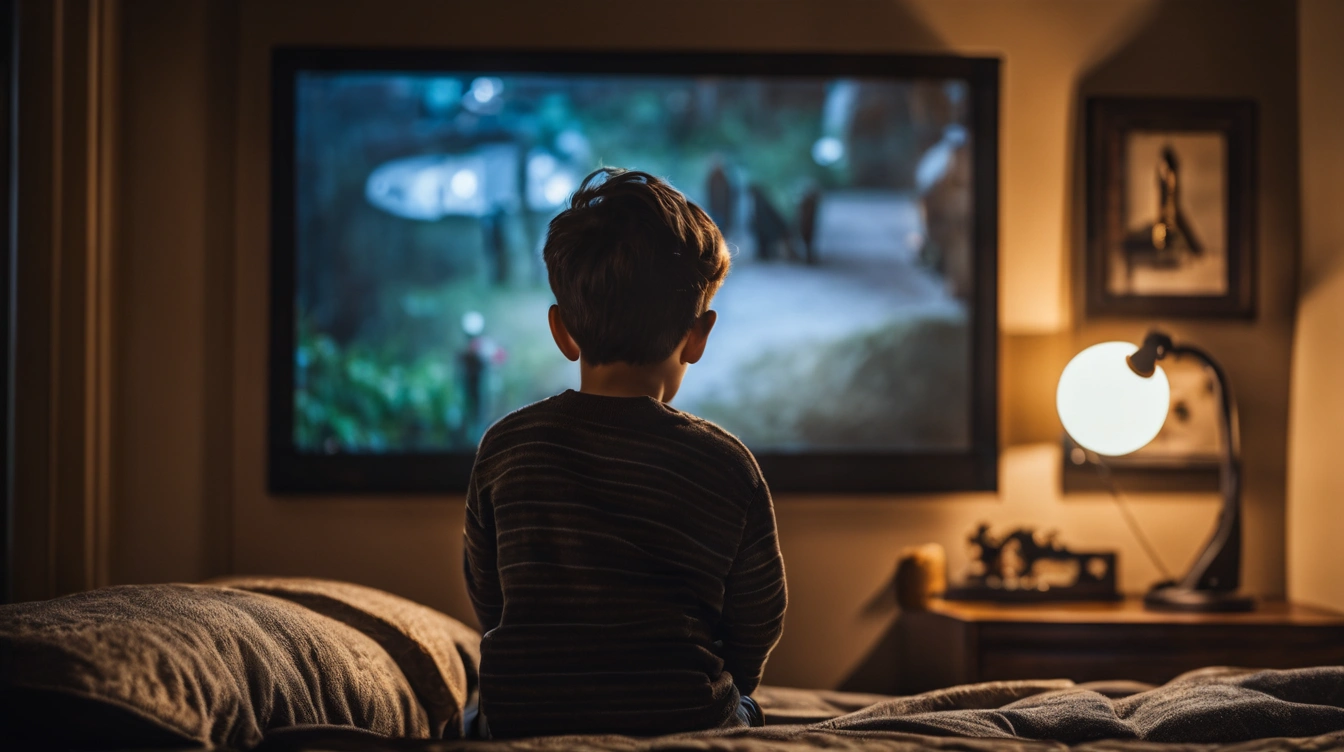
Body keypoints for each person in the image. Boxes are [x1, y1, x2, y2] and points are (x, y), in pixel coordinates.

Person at [463, 167, 787, 739]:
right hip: (686, 720)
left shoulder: (506, 447)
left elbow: (490, 598)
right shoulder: (727, 465)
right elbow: (758, 618)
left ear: (562, 331)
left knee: (463, 723)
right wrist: (733, 687)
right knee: (751, 715)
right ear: (699, 334)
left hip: (523, 721)